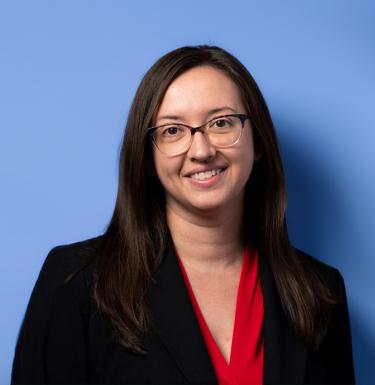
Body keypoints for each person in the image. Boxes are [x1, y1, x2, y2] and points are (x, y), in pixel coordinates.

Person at [11, 45, 355, 384]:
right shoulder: (76, 281)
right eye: (173, 131)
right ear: (147, 158)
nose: (202, 150)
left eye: (221, 123)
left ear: (259, 141)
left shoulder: (319, 292)